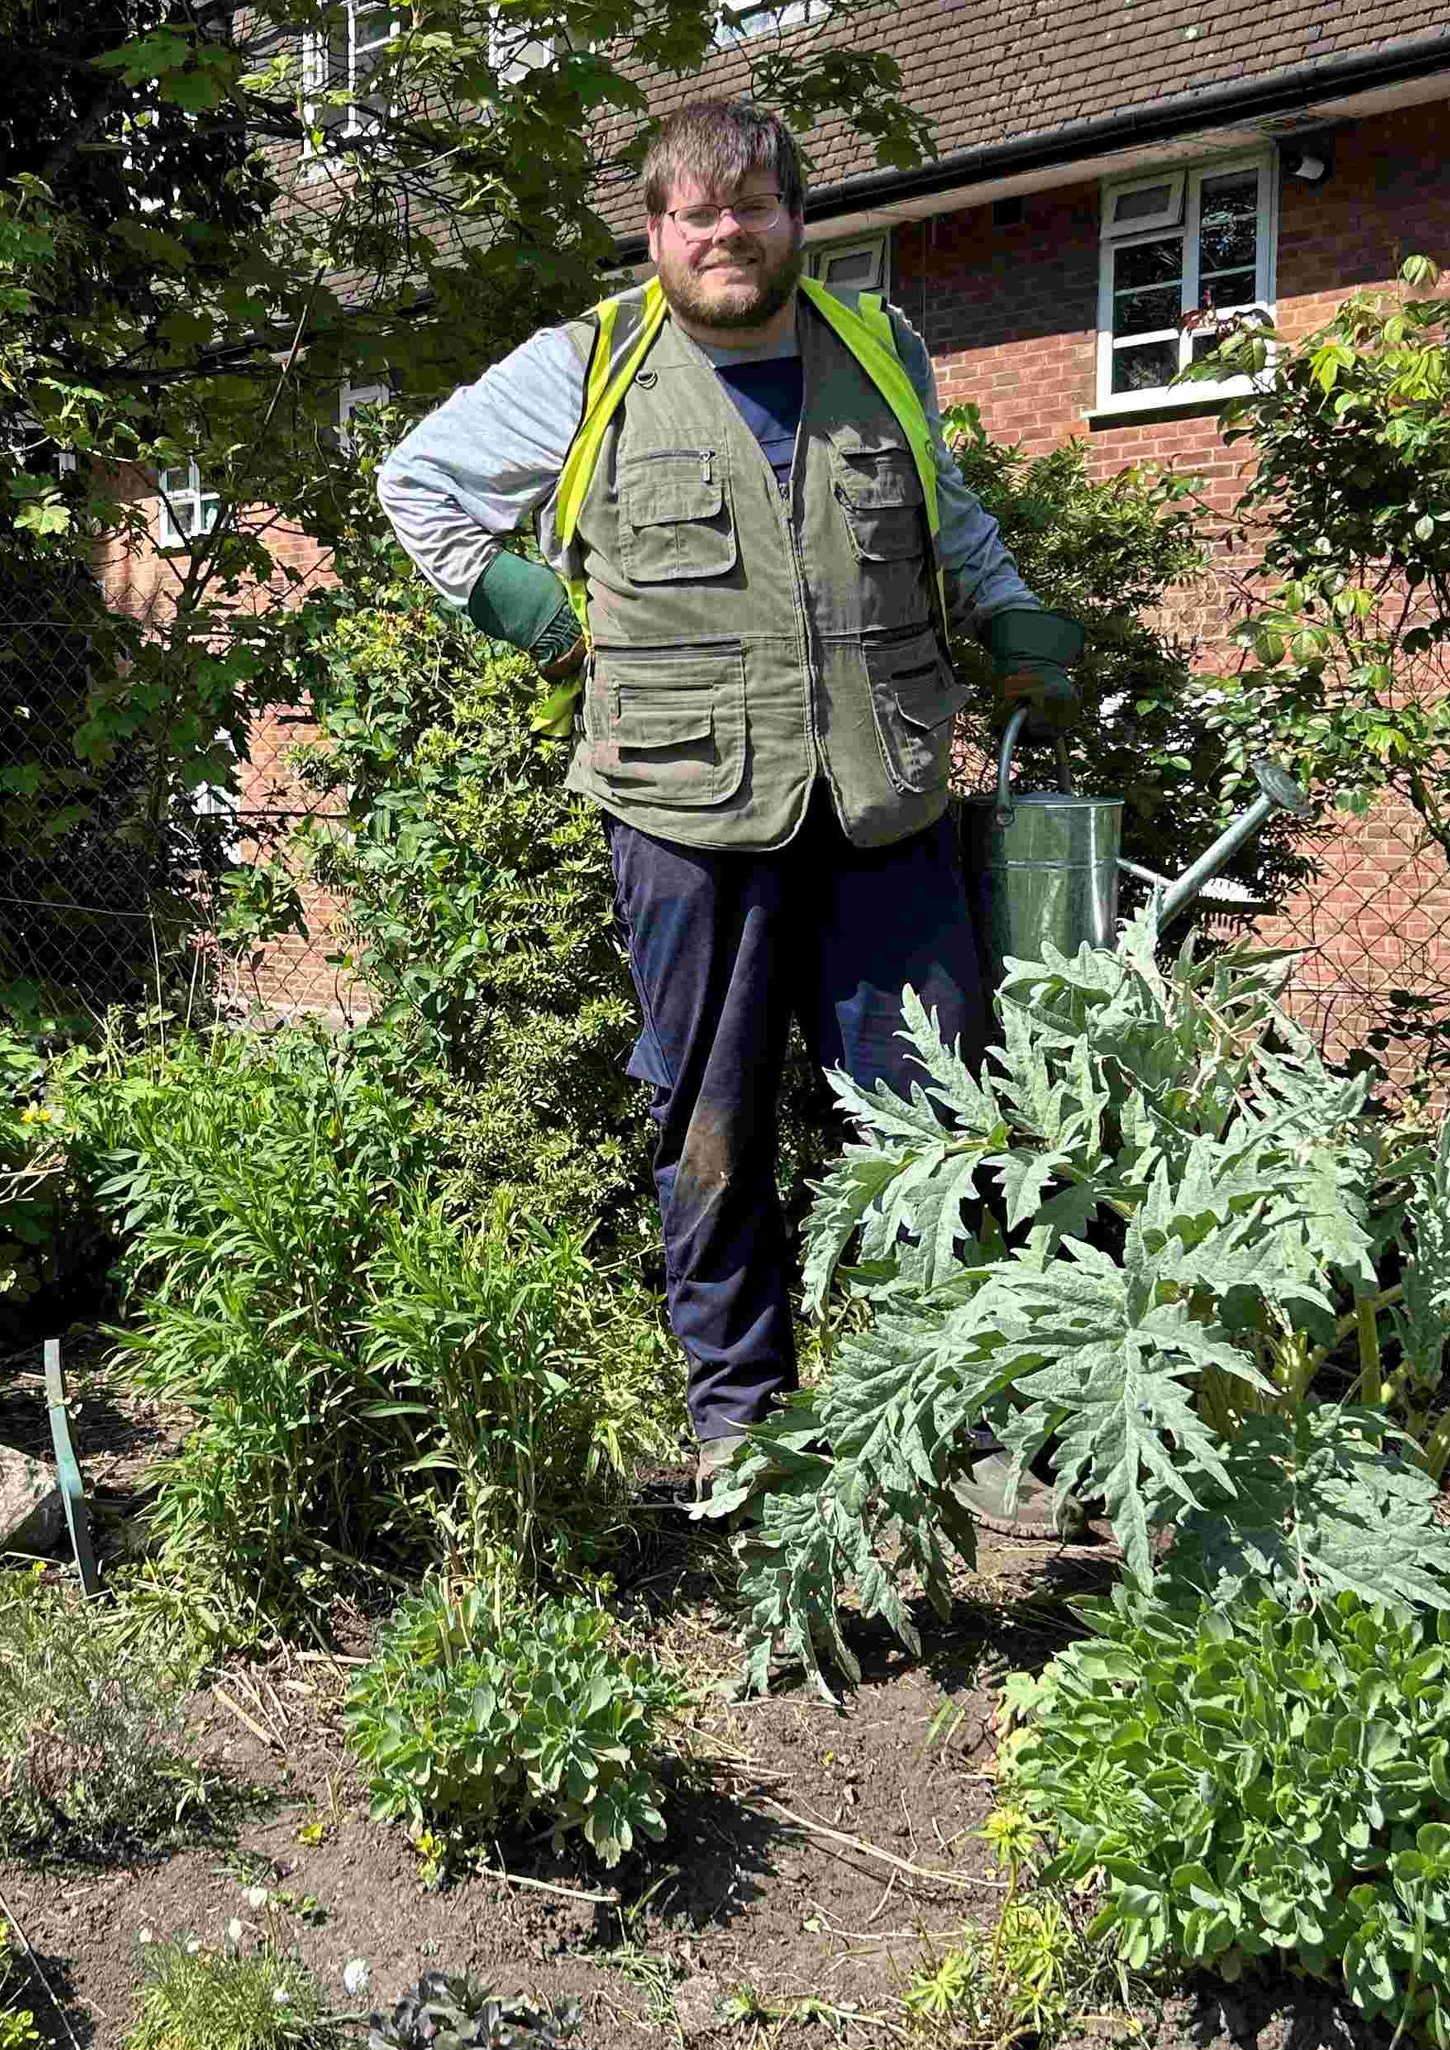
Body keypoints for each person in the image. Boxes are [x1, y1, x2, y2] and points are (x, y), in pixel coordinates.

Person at [374, 95, 1078, 1472]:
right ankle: (742, 1424)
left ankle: (970, 1416)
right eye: (696, 214)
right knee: (710, 1120)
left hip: (886, 804)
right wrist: (503, 589)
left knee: (945, 1120)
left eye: (753, 205)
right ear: (656, 233)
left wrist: (1004, 601)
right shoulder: (587, 367)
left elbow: (949, 506)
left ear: (798, 221)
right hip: (686, 814)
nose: (726, 234)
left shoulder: (882, 350)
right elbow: (417, 479)